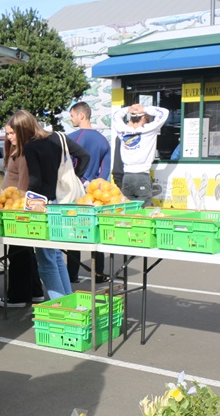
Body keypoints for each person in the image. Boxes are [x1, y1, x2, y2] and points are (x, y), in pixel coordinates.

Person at [22, 114, 90, 301]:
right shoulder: (59, 137)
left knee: (46, 262)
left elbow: (35, 180)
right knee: (57, 257)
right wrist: (74, 176)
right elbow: (84, 155)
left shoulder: (31, 146)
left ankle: (60, 305)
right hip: (64, 202)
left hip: (45, 205)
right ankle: (68, 299)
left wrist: (27, 200)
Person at [0, 110, 47, 308]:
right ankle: (34, 291)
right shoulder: (21, 150)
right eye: (7, 134)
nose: (9, 137)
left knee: (18, 253)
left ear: (23, 131)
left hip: (18, 208)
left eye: (12, 133)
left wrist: (17, 205)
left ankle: (17, 296)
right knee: (24, 251)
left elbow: (24, 184)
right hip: (15, 206)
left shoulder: (25, 153)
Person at [67, 101, 110, 284]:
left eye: (72, 115)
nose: (71, 118)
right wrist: (94, 186)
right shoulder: (103, 140)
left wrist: (80, 181)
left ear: (81, 115)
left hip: (76, 190)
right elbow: (105, 170)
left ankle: (72, 274)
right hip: (96, 194)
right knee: (95, 231)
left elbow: (67, 165)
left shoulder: (74, 137)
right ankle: (98, 274)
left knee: (74, 233)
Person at [114, 103, 169, 207]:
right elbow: (164, 112)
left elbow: (116, 115)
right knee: (145, 207)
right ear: (143, 117)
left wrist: (128, 109)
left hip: (127, 176)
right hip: (142, 175)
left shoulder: (122, 130)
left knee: (128, 207)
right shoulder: (149, 130)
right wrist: (144, 108)